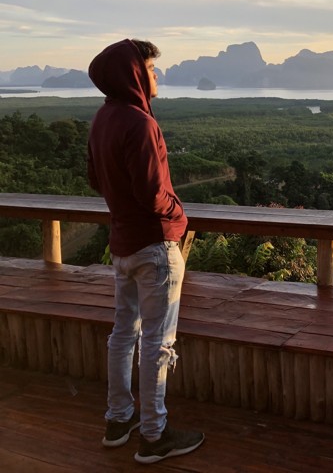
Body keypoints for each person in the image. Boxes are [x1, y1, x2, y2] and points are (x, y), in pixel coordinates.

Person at [87, 39, 204, 464]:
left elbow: (95, 180)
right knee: (158, 342)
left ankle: (119, 420)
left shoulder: (102, 119)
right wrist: (179, 214)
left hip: (121, 245)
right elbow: (155, 194)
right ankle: (154, 435)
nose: (157, 76)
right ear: (135, 73)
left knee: (123, 334)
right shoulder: (140, 123)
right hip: (155, 247)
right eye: (152, 69)